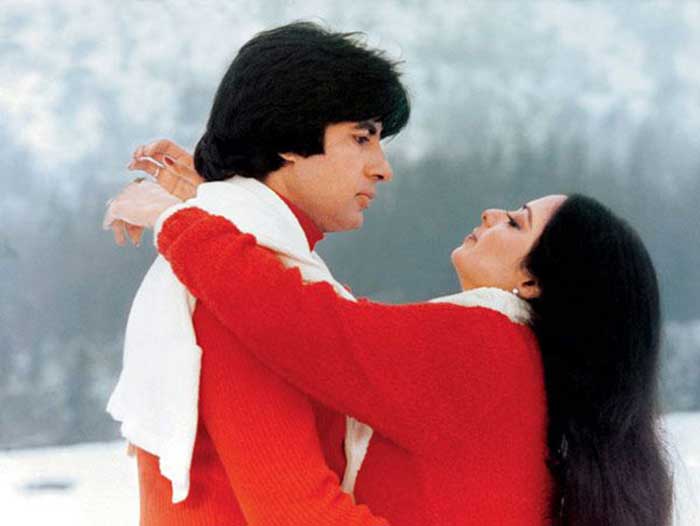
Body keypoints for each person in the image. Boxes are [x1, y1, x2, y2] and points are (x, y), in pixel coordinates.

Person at [111, 186, 674, 525]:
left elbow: (301, 321)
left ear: (532, 283)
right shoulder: (522, 367)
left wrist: (177, 219)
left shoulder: (482, 343)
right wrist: (226, 200)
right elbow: (341, 322)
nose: (490, 213)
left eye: (515, 222)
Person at [104, 21, 409, 525]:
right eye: (361, 138)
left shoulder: (249, 259)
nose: (382, 168)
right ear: (288, 138)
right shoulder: (237, 288)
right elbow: (298, 513)